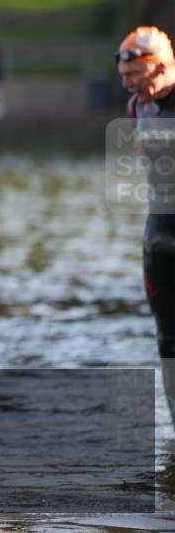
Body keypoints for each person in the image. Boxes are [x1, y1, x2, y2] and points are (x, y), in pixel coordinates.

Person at [118, 26, 175, 422]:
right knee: (168, 341)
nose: (128, 85)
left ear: (159, 68)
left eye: (134, 75)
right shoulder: (139, 106)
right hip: (160, 238)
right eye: (124, 77)